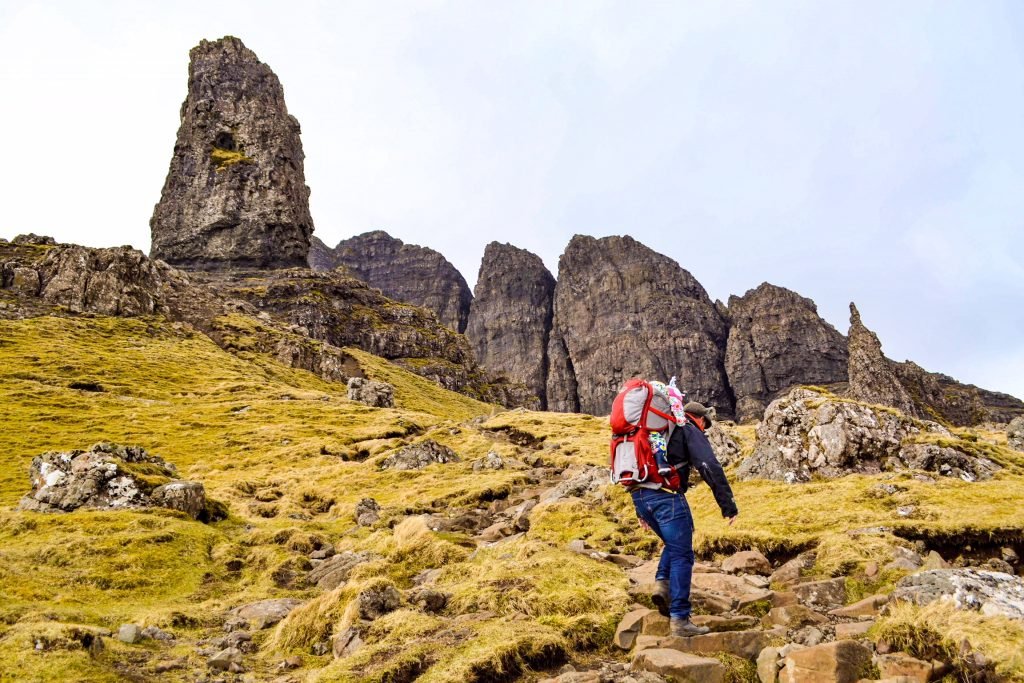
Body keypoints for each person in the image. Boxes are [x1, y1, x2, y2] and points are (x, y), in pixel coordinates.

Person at [630, 400, 738, 637]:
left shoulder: (650, 429)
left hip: (640, 496)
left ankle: (662, 583)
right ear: (699, 418)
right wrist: (728, 505)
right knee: (683, 554)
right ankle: (680, 619)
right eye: (705, 425)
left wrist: (640, 510)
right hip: (667, 497)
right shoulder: (687, 427)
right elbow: (709, 465)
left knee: (675, 542)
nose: (705, 429)